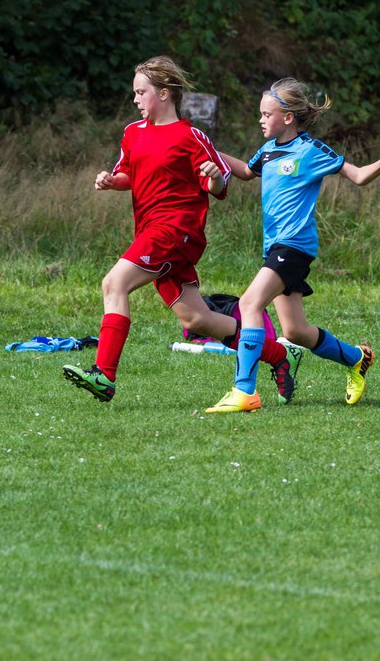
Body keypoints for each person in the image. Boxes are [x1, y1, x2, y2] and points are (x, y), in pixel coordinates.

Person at [62, 56, 303, 403]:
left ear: (163, 93)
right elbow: (129, 174)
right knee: (198, 320)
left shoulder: (191, 137)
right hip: (151, 231)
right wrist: (111, 181)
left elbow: (218, 188)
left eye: (140, 92)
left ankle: (104, 375)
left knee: (114, 283)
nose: (135, 100)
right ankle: (280, 356)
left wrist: (217, 178)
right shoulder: (133, 133)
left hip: (175, 232)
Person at [204, 78, 380, 413]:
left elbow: (357, 176)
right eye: (260, 114)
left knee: (250, 304)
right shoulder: (267, 151)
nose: (261, 120)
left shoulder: (311, 151)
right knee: (295, 331)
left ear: (287, 117)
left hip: (295, 246)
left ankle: (244, 392)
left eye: (266, 114)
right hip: (275, 248)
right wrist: (208, 148)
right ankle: (358, 358)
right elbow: (243, 172)